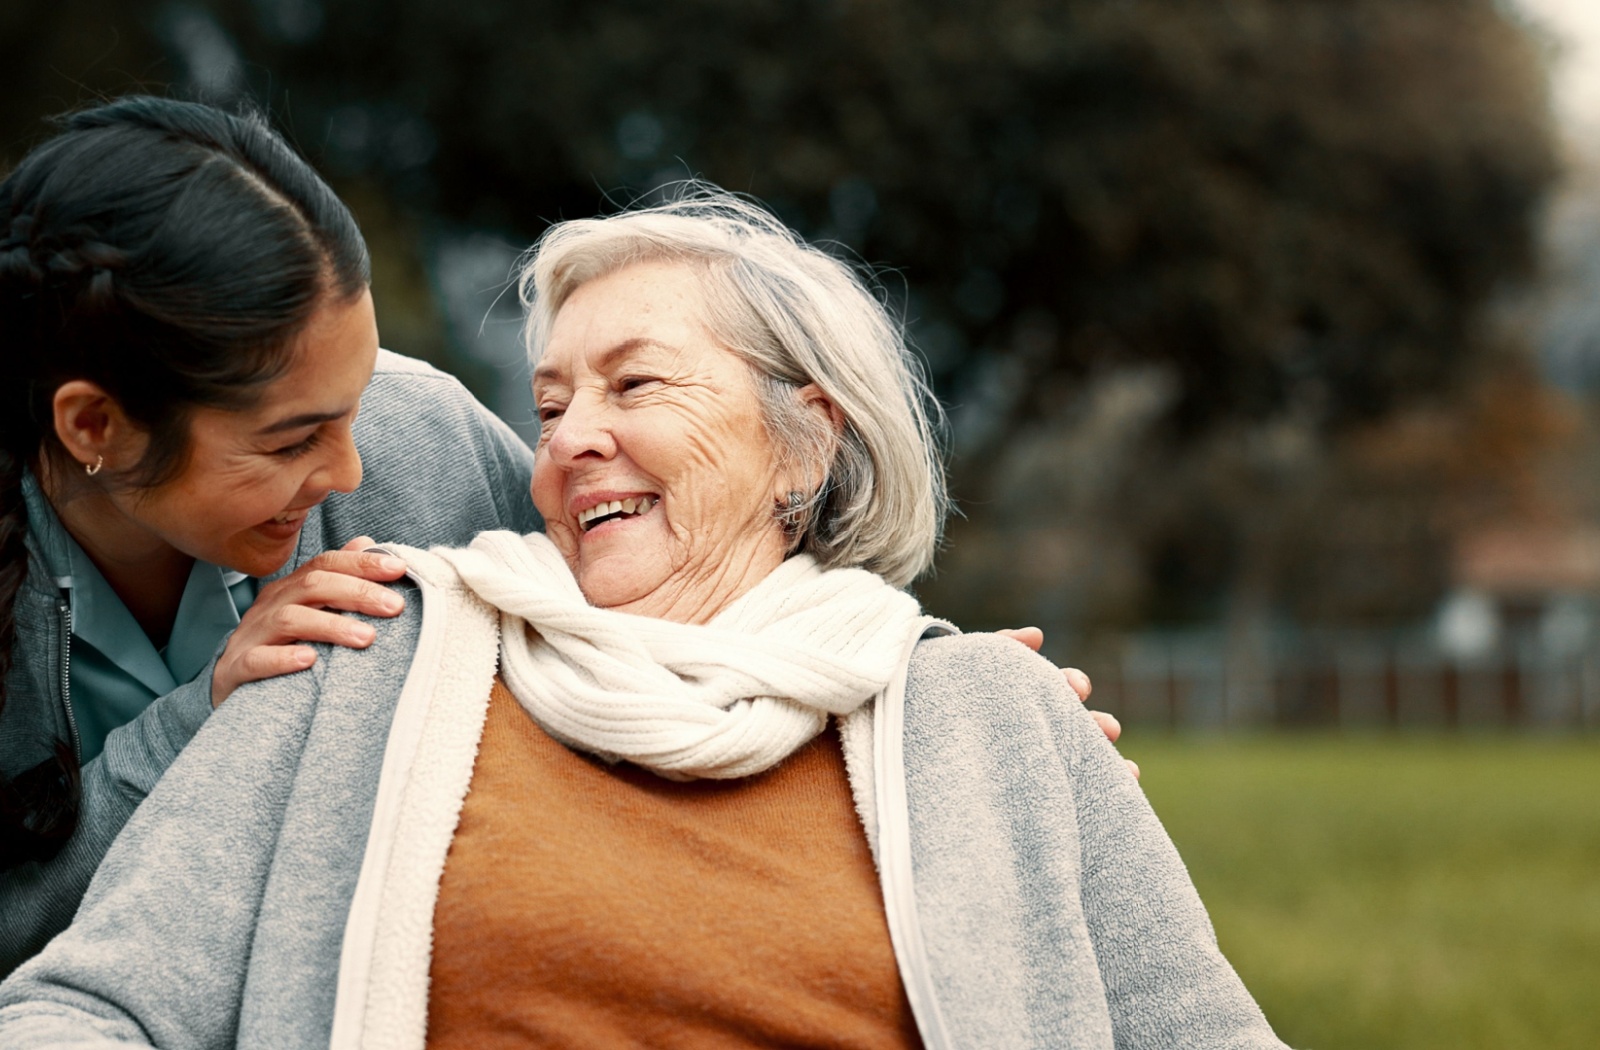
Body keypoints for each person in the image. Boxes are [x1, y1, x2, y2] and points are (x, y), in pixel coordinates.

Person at [0, 188, 1283, 1049]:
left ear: (805, 441)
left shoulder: (984, 715)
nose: (570, 443)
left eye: (635, 384)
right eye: (549, 407)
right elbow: (84, 1008)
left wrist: (983, 719)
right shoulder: (365, 652)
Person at [0, 96, 539, 975]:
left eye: (359, 402)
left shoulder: (432, 443)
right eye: (291, 441)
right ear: (93, 425)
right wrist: (199, 720)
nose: (351, 474)